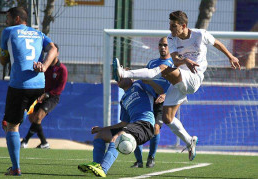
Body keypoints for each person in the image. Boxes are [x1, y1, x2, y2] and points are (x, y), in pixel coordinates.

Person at [114, 10, 241, 161]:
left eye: (174, 26)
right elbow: (174, 60)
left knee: (163, 69)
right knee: (167, 118)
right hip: (180, 78)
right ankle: (189, 141)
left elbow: (217, 43)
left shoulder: (200, 35)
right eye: (170, 25)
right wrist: (186, 61)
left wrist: (231, 56)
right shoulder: (171, 38)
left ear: (183, 25)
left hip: (194, 78)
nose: (170, 29)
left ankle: (124, 74)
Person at [0, 7, 57, 176]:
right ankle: (19, 116)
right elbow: (53, 48)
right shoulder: (38, 33)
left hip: (20, 85)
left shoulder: (8, 31)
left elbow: (3, 60)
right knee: (21, 112)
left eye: (8, 18)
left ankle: (15, 168)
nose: (6, 21)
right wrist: (44, 66)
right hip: (39, 85)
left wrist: (6, 55)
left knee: (11, 126)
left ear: (17, 19)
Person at [78, 71, 160, 177]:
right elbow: (124, 123)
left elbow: (158, 91)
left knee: (117, 137)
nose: (118, 78)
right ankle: (96, 165)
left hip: (145, 125)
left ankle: (103, 169)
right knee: (101, 135)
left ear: (131, 78)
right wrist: (103, 128)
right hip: (132, 126)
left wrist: (159, 91)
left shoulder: (139, 84)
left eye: (122, 75)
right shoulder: (123, 99)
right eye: (117, 77)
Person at [131, 37, 173, 168]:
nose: (162, 47)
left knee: (155, 128)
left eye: (165, 45)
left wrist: (165, 94)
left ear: (170, 46)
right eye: (160, 45)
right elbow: (145, 79)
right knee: (137, 128)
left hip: (162, 102)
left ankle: (151, 157)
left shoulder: (174, 64)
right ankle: (139, 161)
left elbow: (177, 85)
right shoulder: (152, 63)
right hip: (147, 99)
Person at [20, 44, 68, 149]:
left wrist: (47, 94)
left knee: (38, 117)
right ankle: (44, 143)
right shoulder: (44, 67)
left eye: (53, 52)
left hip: (52, 97)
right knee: (32, 118)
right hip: (40, 95)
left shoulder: (62, 69)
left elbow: (60, 88)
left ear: (57, 53)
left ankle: (25, 140)